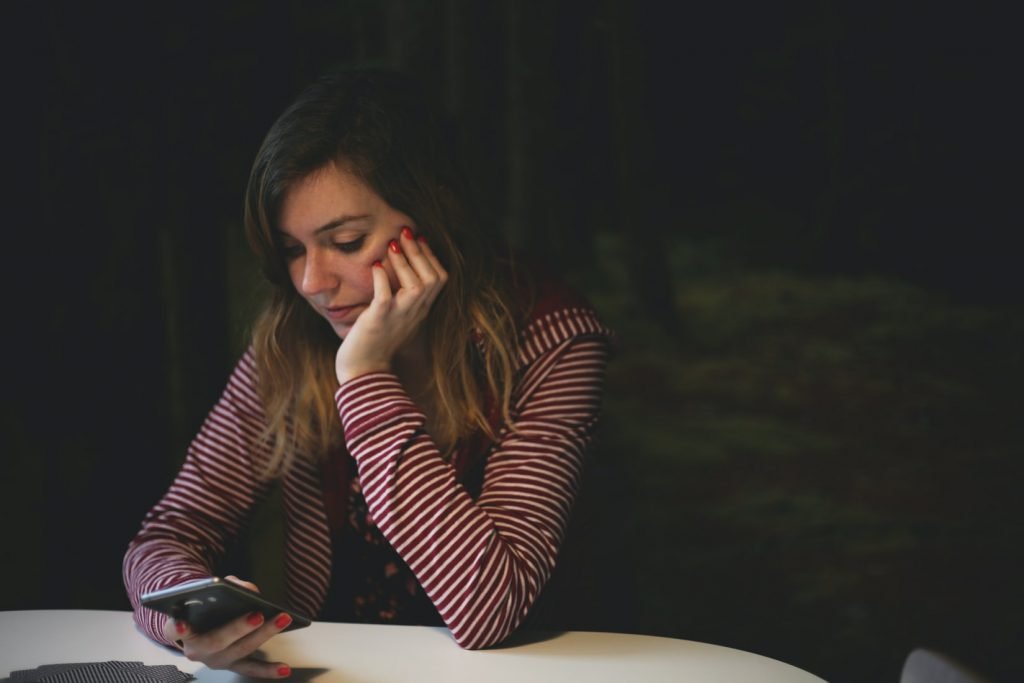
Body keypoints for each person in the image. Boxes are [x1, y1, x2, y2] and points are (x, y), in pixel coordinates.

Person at [123, 66, 613, 678]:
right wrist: (185, 613)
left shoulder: (551, 338)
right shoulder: (290, 342)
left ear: (435, 219)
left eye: (347, 241)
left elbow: (488, 609)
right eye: (293, 249)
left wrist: (363, 375)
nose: (311, 283)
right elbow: (168, 533)